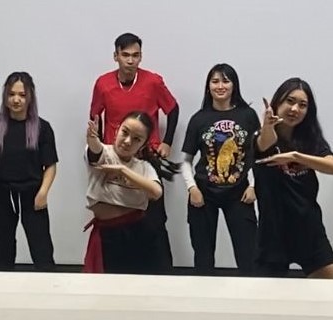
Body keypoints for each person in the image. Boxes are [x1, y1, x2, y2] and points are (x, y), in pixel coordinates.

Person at [89, 32, 179, 272]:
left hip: (147, 157)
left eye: (136, 55)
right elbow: (95, 118)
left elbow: (173, 109)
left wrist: (167, 142)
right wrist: (99, 151)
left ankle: (160, 272)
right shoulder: (103, 84)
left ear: (141, 57)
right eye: (125, 55)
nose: (130, 60)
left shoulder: (153, 82)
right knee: (116, 216)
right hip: (114, 158)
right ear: (115, 56)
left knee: (154, 218)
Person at [253, 77, 333, 279]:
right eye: (290, 101)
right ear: (278, 103)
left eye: (302, 105)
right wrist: (267, 126)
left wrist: (296, 157)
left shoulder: (309, 138)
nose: (295, 109)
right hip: (273, 233)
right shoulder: (262, 136)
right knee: (267, 296)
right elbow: (265, 143)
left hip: (309, 229)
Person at [181, 63, 260, 275]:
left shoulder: (248, 115)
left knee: (249, 254)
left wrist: (254, 186)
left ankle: (251, 293)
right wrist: (192, 188)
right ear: (208, 86)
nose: (220, 86)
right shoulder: (198, 119)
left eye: (226, 81)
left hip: (239, 193)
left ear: (234, 85)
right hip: (204, 192)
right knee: (203, 256)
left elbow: (257, 156)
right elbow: (186, 160)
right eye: (215, 81)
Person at [0, 71, 58, 272]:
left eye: (22, 95)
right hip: (1, 192)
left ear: (30, 97)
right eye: (11, 94)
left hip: (33, 192)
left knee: (41, 248)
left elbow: (50, 165)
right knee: (3, 246)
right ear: (5, 96)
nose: (16, 100)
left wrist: (43, 192)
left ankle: (48, 285)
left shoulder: (42, 128)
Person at [83, 111, 165, 274]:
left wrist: (123, 170)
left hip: (138, 233)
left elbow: (156, 192)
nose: (127, 141)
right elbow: (95, 149)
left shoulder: (144, 167)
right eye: (125, 132)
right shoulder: (105, 154)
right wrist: (92, 138)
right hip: (108, 234)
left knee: (137, 282)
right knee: (106, 283)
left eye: (137, 139)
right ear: (116, 130)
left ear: (143, 145)